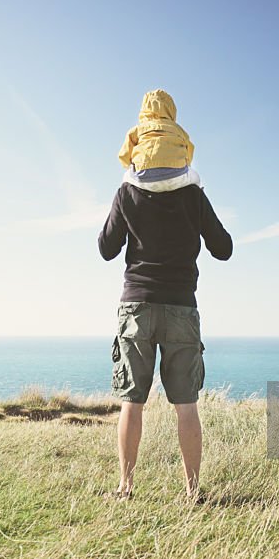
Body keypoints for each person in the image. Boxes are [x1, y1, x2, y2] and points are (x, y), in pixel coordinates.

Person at [99, 92, 233, 500]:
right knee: (186, 404)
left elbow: (106, 248)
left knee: (131, 403)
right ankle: (193, 491)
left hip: (136, 305)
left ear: (140, 134)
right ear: (176, 131)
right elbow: (223, 248)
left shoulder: (127, 192)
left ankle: (125, 486)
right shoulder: (193, 192)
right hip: (181, 308)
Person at [118, 89, 203, 192]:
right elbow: (189, 153)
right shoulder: (179, 130)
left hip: (144, 177)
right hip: (176, 176)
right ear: (171, 109)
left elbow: (124, 156)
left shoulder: (137, 129)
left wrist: (131, 165)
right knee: (196, 178)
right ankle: (197, 195)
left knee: (126, 179)